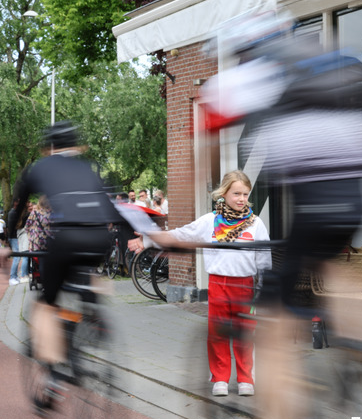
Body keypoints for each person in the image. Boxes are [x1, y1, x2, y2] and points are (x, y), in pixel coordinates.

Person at [129, 170, 271, 397]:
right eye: (236, 193)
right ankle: (220, 378)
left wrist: (263, 290)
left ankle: (245, 378)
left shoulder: (256, 224)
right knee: (218, 333)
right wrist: (147, 239)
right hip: (218, 284)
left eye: (245, 194)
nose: (242, 199)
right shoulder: (210, 221)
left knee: (245, 332)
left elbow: (264, 260)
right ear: (223, 193)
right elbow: (181, 235)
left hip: (246, 286)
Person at [14, 120, 124, 309]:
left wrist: (9, 239)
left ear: (50, 145)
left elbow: (19, 207)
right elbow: (111, 208)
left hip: (67, 238)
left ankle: (51, 318)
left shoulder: (42, 166)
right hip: (99, 240)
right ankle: (95, 317)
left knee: (46, 301)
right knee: (84, 278)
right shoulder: (87, 168)